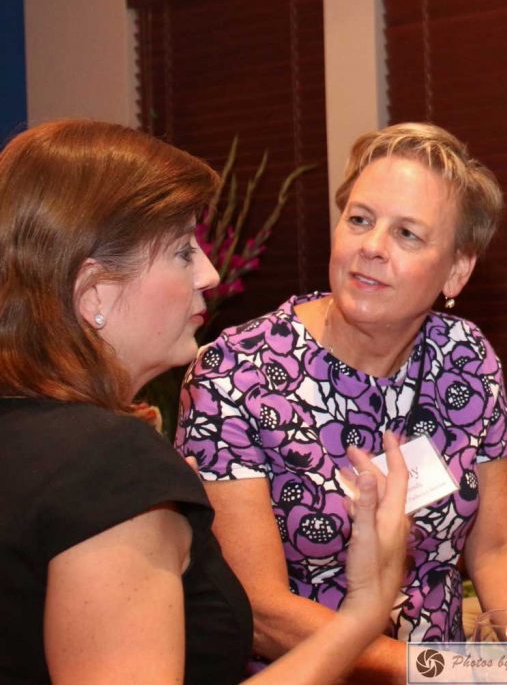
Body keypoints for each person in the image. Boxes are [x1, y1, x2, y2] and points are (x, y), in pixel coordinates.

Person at [0, 119, 410, 684]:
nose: (210, 274)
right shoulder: (106, 464)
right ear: (95, 292)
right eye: (180, 251)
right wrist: (363, 613)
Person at [175, 122, 507, 681]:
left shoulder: (466, 358)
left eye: (408, 235)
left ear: (457, 270)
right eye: (360, 220)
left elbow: (498, 547)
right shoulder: (236, 374)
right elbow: (260, 609)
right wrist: (446, 674)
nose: (372, 248)